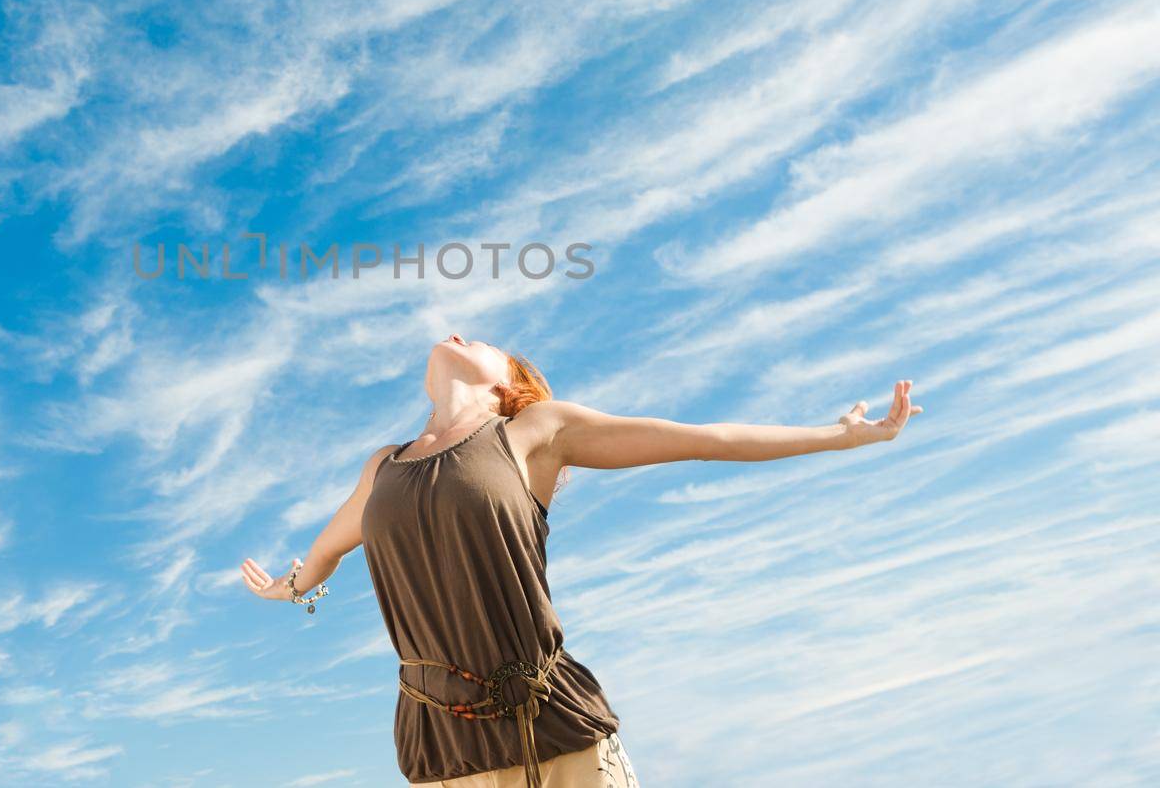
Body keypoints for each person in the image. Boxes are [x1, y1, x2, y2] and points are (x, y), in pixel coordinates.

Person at [241, 334, 922, 786]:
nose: (456, 334)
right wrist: (287, 587)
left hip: (557, 726)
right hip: (445, 745)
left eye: (479, 339)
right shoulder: (381, 470)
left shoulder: (533, 430)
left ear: (510, 383)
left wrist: (841, 436)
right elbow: (325, 552)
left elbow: (705, 439)